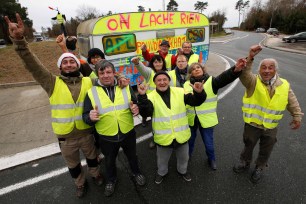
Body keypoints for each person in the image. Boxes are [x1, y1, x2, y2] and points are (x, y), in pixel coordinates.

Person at [5, 13, 103, 198]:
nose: (68, 64)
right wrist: (19, 41)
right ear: (60, 67)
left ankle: (96, 175)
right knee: (73, 165)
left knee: (92, 159)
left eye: (71, 62)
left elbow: (106, 81)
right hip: (66, 138)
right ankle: (80, 184)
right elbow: (32, 65)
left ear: (77, 65)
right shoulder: (52, 83)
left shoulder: (89, 82)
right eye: (64, 62)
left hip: (86, 132)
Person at [233, 45, 303, 183]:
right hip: (252, 124)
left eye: (270, 67)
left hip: (271, 127)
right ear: (259, 69)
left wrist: (297, 116)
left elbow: (292, 102)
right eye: (263, 67)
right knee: (248, 145)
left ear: (275, 70)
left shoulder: (284, 84)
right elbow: (244, 73)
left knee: (266, 149)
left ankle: (259, 167)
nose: (266, 70)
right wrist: (250, 57)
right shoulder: (252, 81)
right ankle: (244, 162)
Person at [82, 60, 146, 197]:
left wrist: (135, 108)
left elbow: (133, 103)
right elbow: (85, 116)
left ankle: (136, 173)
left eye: (108, 72)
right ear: (97, 75)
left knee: (132, 157)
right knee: (109, 160)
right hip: (106, 136)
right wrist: (90, 117)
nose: (106, 75)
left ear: (113, 73)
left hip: (127, 131)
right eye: (102, 72)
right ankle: (111, 180)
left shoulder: (125, 87)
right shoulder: (91, 92)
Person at [137, 71, 206, 184]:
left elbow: (195, 102)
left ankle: (182, 171)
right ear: (154, 83)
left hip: (181, 135)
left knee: (184, 158)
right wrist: (142, 97)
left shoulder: (179, 92)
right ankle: (161, 173)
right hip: (163, 138)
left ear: (169, 81)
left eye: (165, 79)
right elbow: (145, 113)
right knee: (162, 160)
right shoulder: (149, 97)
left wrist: (199, 93)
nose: (162, 82)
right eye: (159, 80)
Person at [185, 59, 246, 170]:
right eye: (193, 69)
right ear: (191, 73)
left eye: (198, 67)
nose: (196, 69)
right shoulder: (186, 84)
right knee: (189, 142)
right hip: (191, 119)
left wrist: (235, 70)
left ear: (203, 69)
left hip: (207, 120)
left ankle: (211, 159)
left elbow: (224, 78)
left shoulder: (211, 81)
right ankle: (187, 157)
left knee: (208, 144)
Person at [131, 55, 167, 129]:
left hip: (162, 99)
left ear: (163, 63)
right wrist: (137, 63)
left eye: (160, 62)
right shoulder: (150, 72)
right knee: (146, 112)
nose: (158, 64)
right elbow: (143, 69)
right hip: (149, 99)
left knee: (158, 115)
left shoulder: (167, 72)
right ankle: (144, 119)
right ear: (152, 64)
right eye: (155, 62)